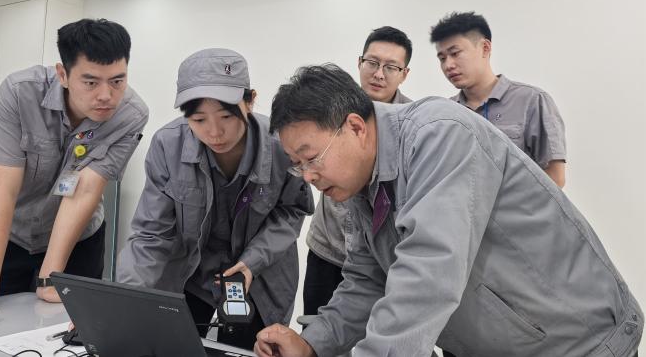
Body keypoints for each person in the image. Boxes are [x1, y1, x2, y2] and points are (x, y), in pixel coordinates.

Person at [255, 64, 642, 357]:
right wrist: (313, 343)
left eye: (311, 158)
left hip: (579, 343)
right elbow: (369, 279)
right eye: (297, 166)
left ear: (355, 127)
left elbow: (430, 269)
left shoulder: (438, 134)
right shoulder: (361, 185)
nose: (308, 176)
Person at [116, 48, 313, 350]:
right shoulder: (168, 146)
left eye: (226, 116)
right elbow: (151, 234)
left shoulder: (281, 144)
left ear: (250, 101)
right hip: (191, 273)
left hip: (261, 276)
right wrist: (124, 300)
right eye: (198, 119)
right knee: (171, 346)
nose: (215, 132)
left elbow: (292, 210)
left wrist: (252, 261)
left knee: (250, 350)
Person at [0, 19, 149, 307]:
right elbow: (3, 190)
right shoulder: (20, 92)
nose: (106, 96)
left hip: (77, 240)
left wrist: (49, 276)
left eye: (117, 81)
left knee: (68, 326)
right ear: (63, 75)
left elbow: (84, 190)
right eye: (91, 82)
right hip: (9, 234)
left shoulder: (131, 115)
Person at [303, 26, 412, 316]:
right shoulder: (327, 111)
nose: (379, 74)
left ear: (404, 74)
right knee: (316, 329)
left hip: (382, 258)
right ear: (359, 62)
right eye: (372, 63)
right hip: (329, 249)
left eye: (391, 67)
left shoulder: (411, 125)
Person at [430, 11, 566, 188]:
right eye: (442, 58)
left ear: (485, 48)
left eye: (455, 53)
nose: (448, 65)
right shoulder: (447, 113)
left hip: (519, 206)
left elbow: (555, 178)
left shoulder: (532, 101)